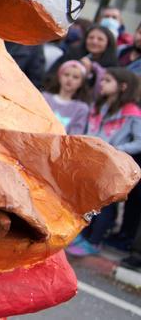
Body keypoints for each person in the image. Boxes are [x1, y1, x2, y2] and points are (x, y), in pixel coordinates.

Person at [67, 68, 141, 257]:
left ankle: (94, 241)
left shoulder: (132, 112)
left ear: (123, 87)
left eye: (107, 81)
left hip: (113, 165)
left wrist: (117, 149)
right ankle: (82, 234)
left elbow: (139, 141)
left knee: (106, 204)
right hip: (94, 159)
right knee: (89, 199)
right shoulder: (100, 105)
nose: (102, 83)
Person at [39, 61, 91, 135]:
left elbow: (76, 135)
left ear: (81, 83)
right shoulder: (44, 97)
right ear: (59, 77)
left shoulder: (81, 108)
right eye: (66, 75)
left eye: (75, 77)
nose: (70, 79)